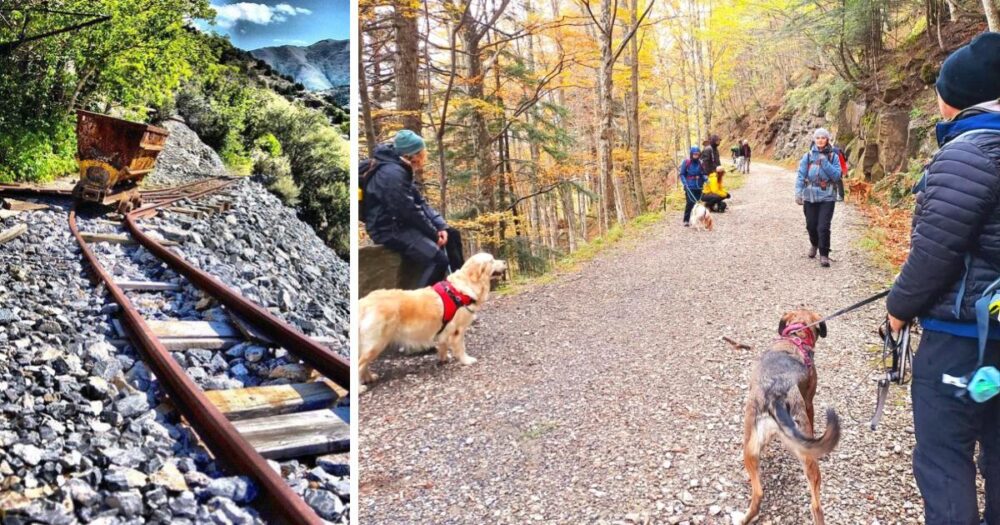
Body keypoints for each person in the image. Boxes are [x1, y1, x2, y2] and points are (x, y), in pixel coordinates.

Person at [885, 32, 1000, 525]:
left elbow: (934, 255)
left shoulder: (968, 154)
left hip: (963, 341)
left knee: (944, 456)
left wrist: (896, 309)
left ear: (960, 96)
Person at [360, 129, 464, 288]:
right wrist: (433, 234)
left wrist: (440, 226)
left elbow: (419, 202)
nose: (424, 156)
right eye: (422, 153)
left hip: (400, 224)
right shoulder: (392, 174)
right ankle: (417, 307)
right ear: (413, 154)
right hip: (388, 229)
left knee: (452, 235)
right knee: (438, 260)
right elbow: (408, 211)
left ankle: (459, 288)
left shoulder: (399, 167)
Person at [794, 128, 842, 267]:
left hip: (827, 195)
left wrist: (824, 162)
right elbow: (801, 176)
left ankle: (824, 254)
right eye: (818, 138)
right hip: (810, 196)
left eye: (823, 137)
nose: (820, 140)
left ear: (827, 140)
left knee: (823, 226)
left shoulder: (833, 156)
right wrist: (798, 193)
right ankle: (814, 244)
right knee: (811, 225)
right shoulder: (807, 156)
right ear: (814, 140)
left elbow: (837, 176)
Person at [679, 146, 708, 226]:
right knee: (690, 203)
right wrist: (685, 183)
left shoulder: (701, 163)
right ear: (691, 154)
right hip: (689, 186)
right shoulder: (686, 162)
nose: (696, 156)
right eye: (695, 154)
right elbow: (682, 174)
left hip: (699, 186)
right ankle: (686, 220)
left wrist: (706, 179)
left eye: (698, 154)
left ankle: (696, 219)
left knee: (697, 204)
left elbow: (703, 174)